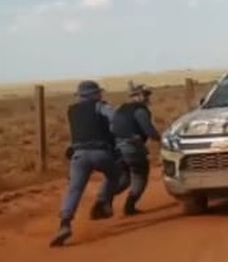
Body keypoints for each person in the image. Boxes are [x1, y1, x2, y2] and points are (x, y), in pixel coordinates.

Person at [50, 80, 122, 247]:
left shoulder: (72, 110)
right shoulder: (100, 106)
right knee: (115, 175)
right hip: (101, 153)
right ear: (94, 95)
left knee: (74, 188)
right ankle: (102, 202)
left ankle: (65, 223)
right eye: (98, 93)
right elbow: (115, 118)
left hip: (79, 155)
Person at [111, 83, 161, 216]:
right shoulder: (140, 110)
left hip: (118, 149)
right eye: (145, 95)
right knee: (140, 176)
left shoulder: (120, 109)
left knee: (125, 178)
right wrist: (161, 140)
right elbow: (149, 131)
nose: (147, 98)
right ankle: (129, 207)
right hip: (133, 148)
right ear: (137, 96)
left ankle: (105, 197)